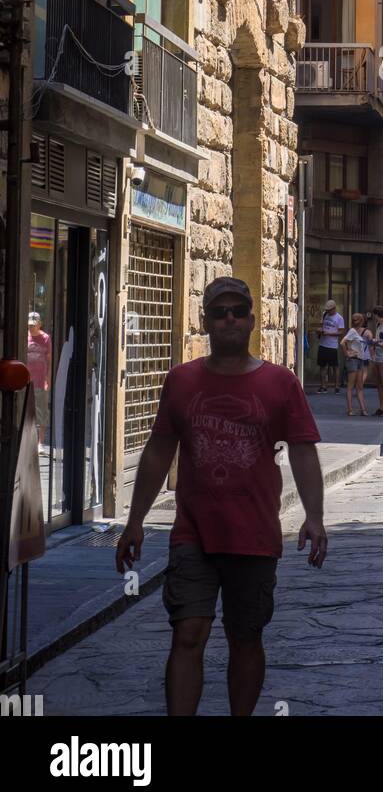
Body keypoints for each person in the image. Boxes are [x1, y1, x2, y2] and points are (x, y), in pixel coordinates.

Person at [115, 276, 326, 717]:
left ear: (252, 320)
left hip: (255, 534)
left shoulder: (281, 384)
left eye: (237, 311)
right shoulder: (181, 381)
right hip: (193, 532)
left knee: (245, 637)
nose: (229, 318)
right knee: (187, 632)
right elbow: (158, 452)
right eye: (219, 312)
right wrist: (134, 521)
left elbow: (303, 452)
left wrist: (314, 516)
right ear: (205, 321)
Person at [26, 311, 51, 449]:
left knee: (41, 411)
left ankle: (40, 442)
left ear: (39, 324)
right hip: (26, 380)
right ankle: (28, 441)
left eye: (34, 325)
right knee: (27, 412)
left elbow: (49, 360)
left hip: (40, 380)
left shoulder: (46, 338)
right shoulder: (25, 337)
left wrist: (48, 379)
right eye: (30, 325)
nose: (31, 328)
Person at [340, 313, 371, 417]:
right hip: (353, 360)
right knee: (351, 386)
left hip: (359, 360)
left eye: (357, 320)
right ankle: (350, 409)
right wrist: (347, 353)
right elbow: (342, 342)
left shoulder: (356, 332)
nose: (355, 321)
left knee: (359, 386)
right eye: (354, 320)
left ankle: (363, 409)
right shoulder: (352, 331)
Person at [317, 301, 344, 394]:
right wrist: (320, 330)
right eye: (327, 310)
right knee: (322, 366)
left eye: (329, 310)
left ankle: (336, 386)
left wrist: (329, 333)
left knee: (335, 366)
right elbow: (321, 325)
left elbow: (341, 332)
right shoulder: (325, 315)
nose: (328, 311)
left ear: (334, 308)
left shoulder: (339, 318)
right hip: (323, 343)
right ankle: (323, 385)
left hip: (332, 345)